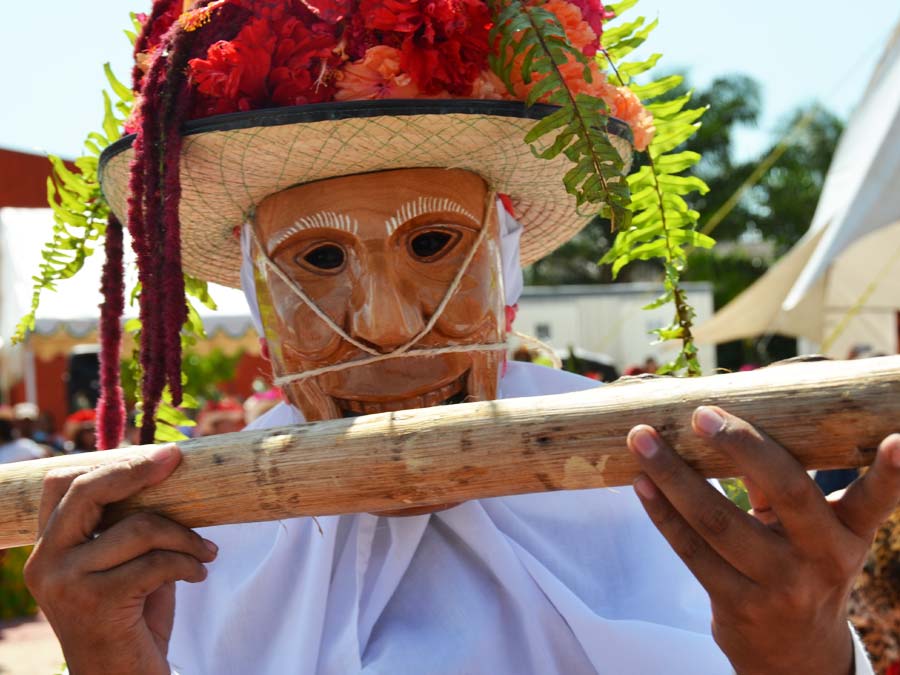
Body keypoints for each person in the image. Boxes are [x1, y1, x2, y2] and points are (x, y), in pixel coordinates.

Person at [22, 2, 898, 673]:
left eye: (434, 243)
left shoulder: (651, 482)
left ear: (507, 268)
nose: (387, 327)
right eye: (318, 257)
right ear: (257, 297)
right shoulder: (188, 552)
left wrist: (804, 654)